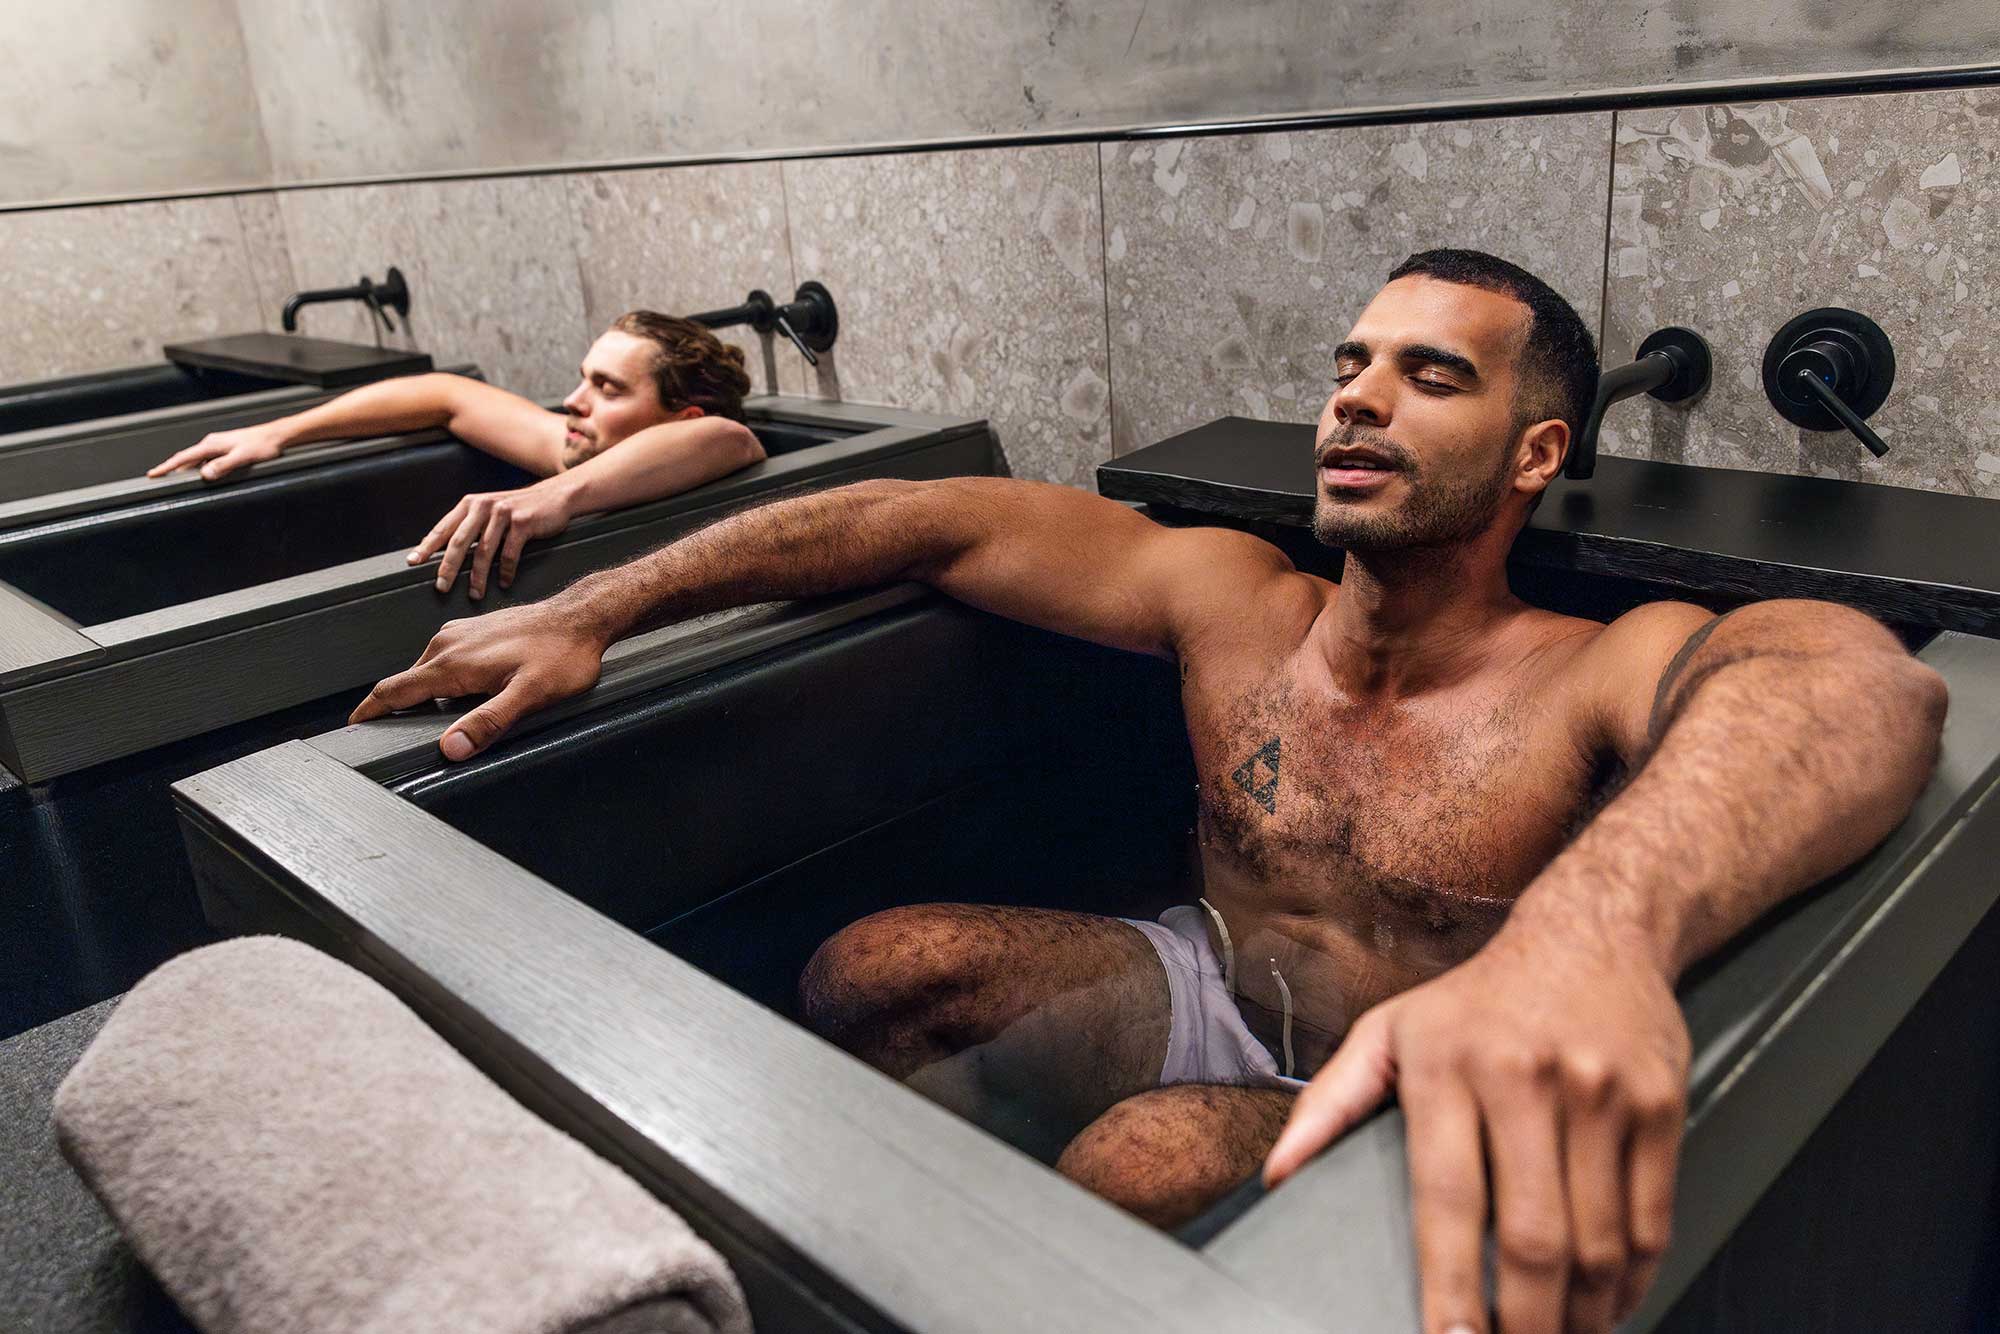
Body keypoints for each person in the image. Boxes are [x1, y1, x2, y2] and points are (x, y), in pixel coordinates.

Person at [347, 250, 1946, 1334]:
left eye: (1428, 376)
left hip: (1396, 1070)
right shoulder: (1235, 602)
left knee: (1146, 1161)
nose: (1357, 399)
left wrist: (1586, 936)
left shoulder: (1586, 667)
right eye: (1350, 363)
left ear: (1535, 454)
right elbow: (921, 516)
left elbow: (1854, 680)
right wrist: (586, 611)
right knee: (878, 968)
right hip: (1202, 972)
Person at [148, 312, 765, 598]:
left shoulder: (714, 444)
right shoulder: (580, 449)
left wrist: (550, 496)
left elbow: (727, 438)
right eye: (584, 378)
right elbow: (446, 395)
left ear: (683, 413)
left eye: (609, 389)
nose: (575, 402)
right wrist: (280, 433)